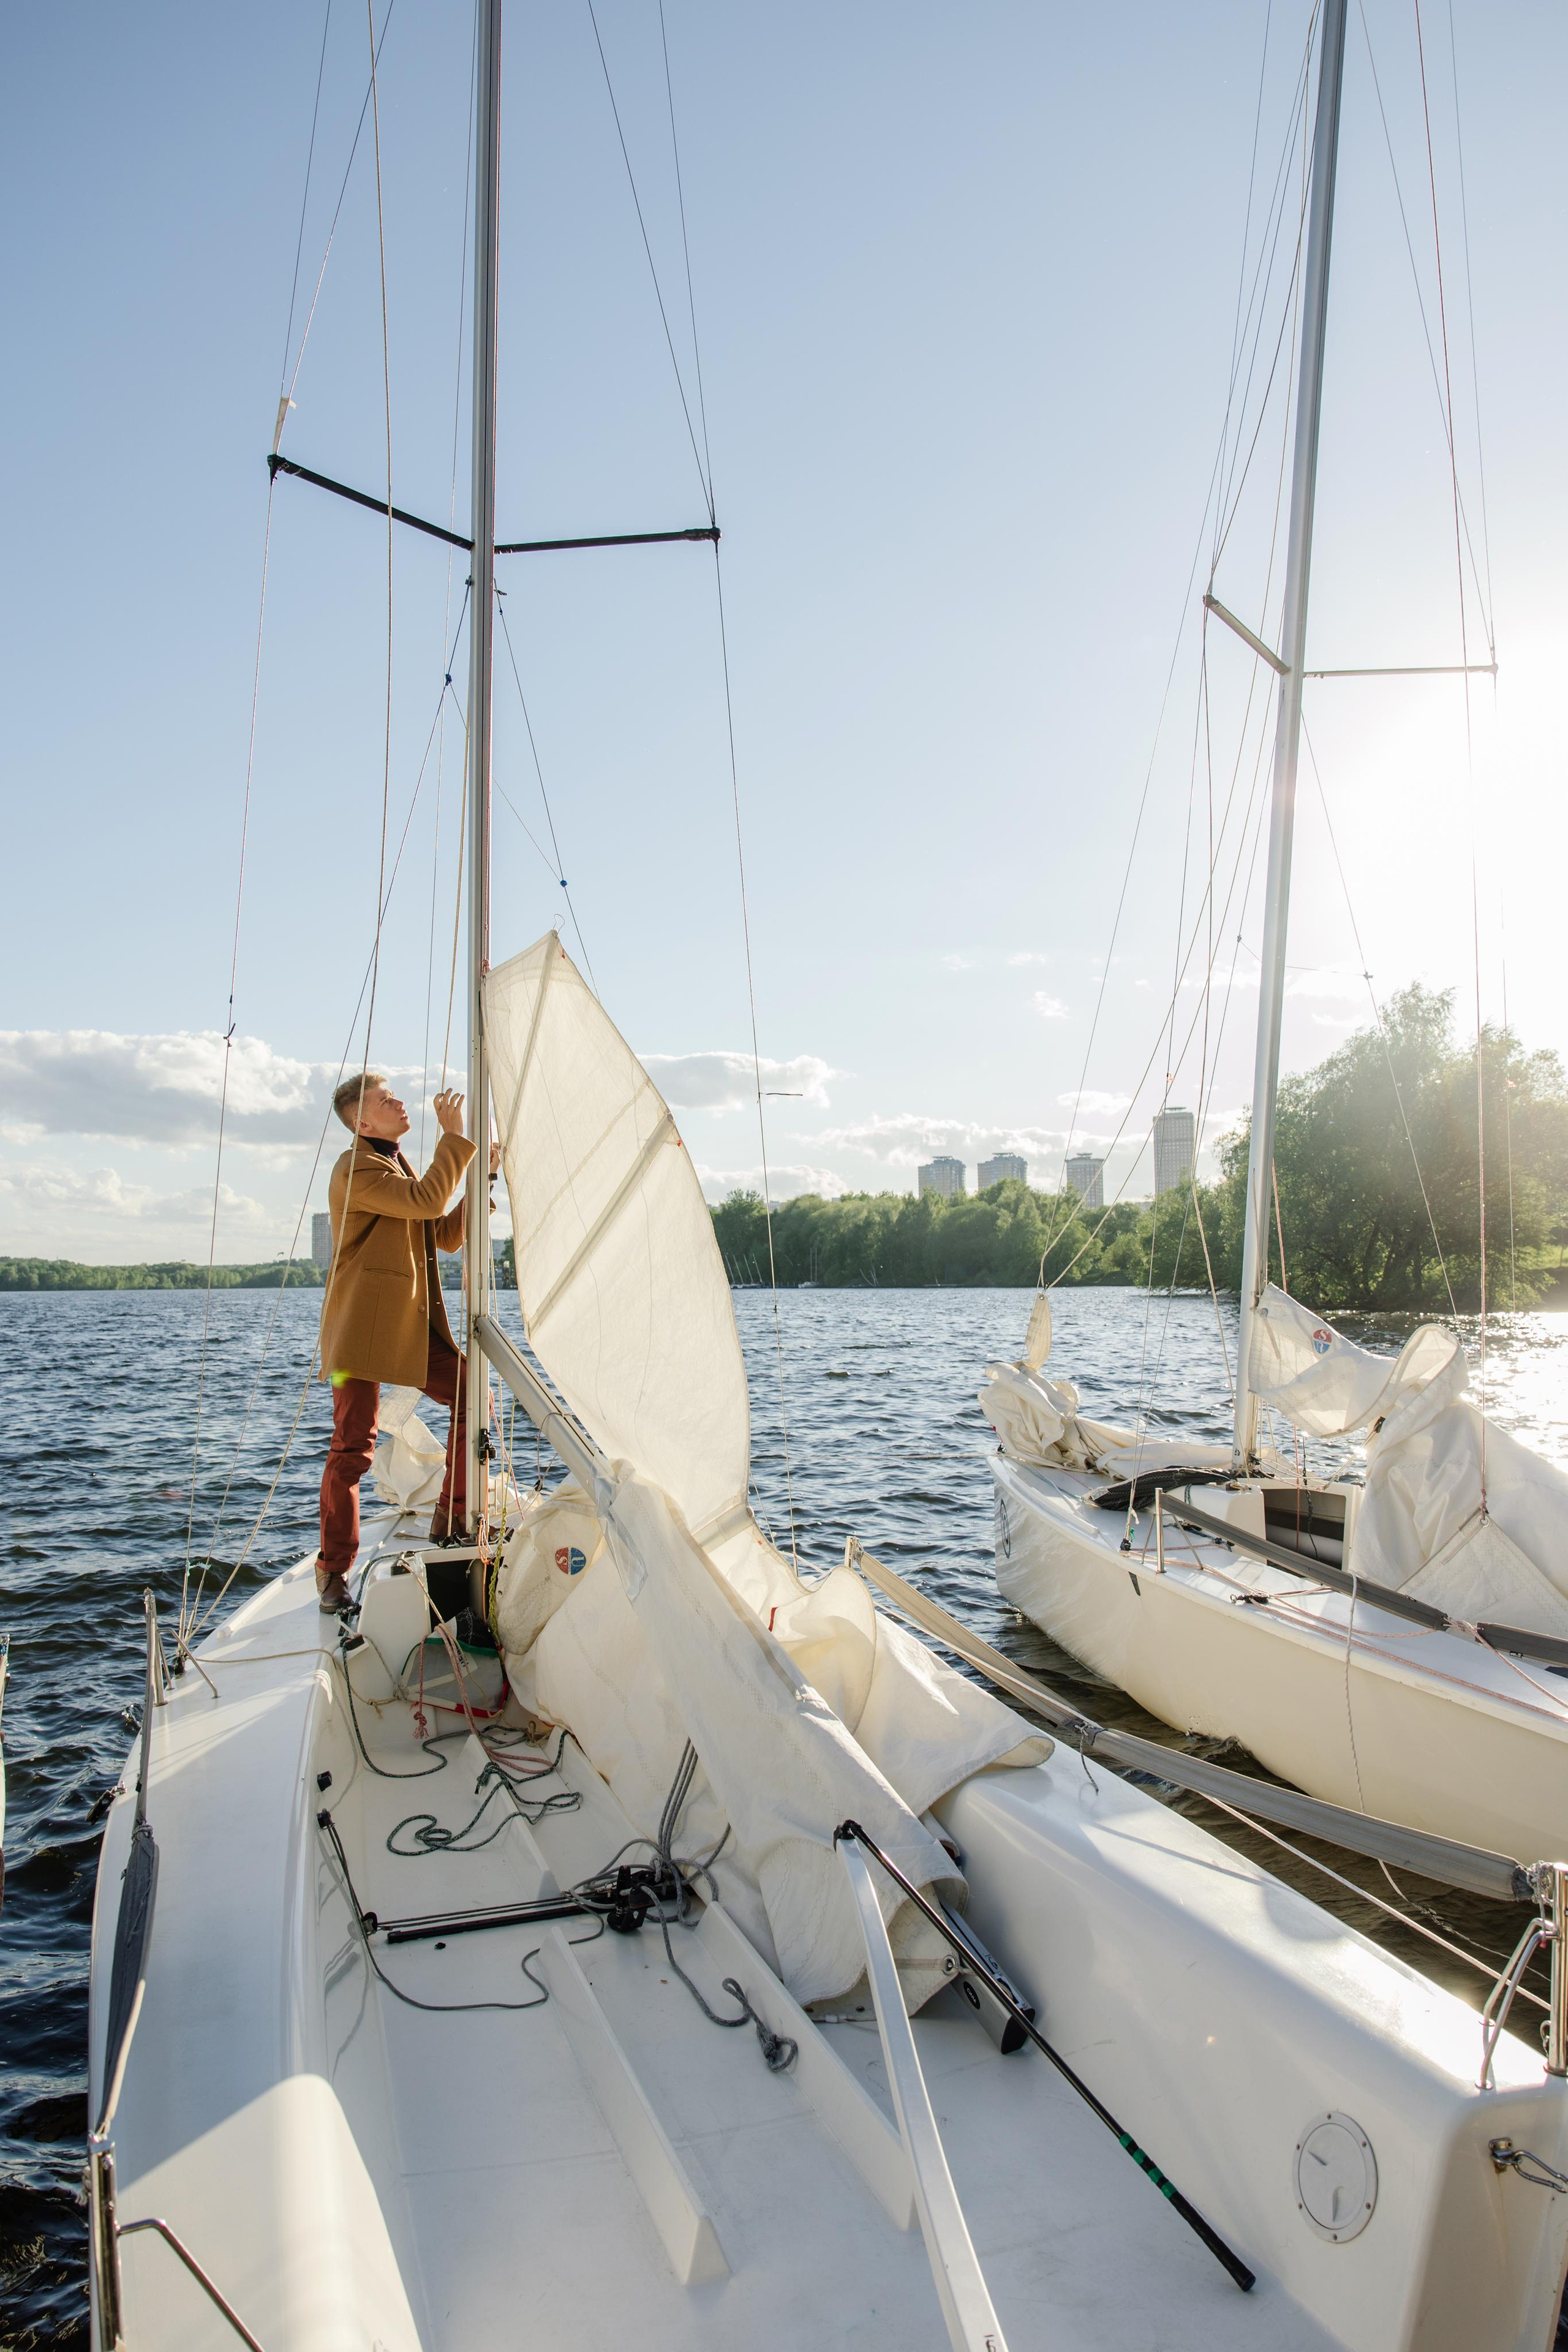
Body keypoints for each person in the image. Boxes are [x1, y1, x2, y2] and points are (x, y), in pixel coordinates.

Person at [314, 1072, 499, 1611]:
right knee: (353, 1449)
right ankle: (332, 1573)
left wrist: (482, 1178)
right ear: (363, 1121)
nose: (398, 1101)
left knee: (473, 1395)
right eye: (385, 1098)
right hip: (356, 1335)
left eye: (395, 1094)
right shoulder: (354, 1167)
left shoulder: (394, 1164)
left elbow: (442, 1233)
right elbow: (424, 1202)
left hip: (405, 1327)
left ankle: (450, 1520)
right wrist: (455, 1138)